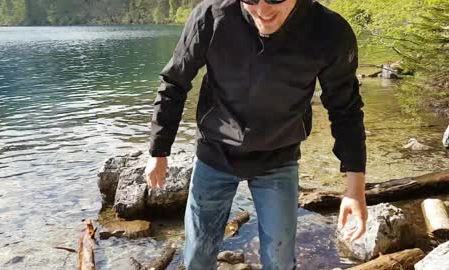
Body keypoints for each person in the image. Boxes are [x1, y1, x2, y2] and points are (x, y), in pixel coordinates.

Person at [145, 0, 368, 269]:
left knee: (280, 259)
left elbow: (345, 109)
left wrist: (355, 188)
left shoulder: (329, 31)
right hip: (214, 154)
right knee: (198, 255)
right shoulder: (211, 17)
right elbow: (174, 83)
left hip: (278, 158)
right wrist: (159, 150)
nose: (263, 11)